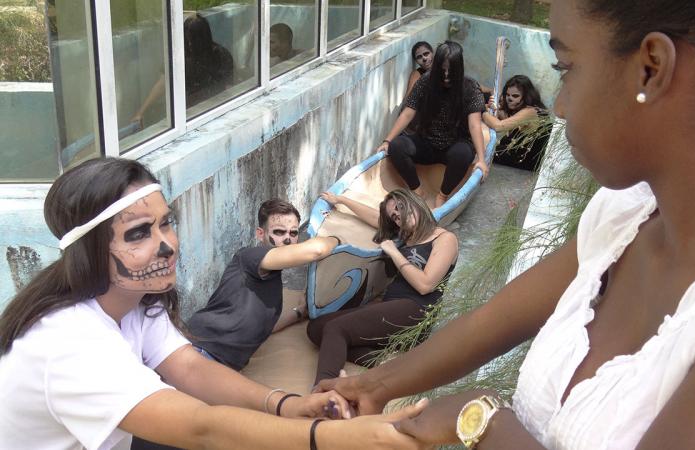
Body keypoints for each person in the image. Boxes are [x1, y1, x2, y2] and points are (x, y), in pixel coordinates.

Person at [317, 0, 695, 448]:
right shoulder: (626, 214)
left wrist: (481, 418)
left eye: (566, 68)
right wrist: (368, 387)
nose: (561, 104)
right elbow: (488, 325)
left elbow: (482, 401)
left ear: (651, 67)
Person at [0, 157, 429, 450]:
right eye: (138, 233)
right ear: (90, 249)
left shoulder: (137, 299)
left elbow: (189, 366)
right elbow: (198, 427)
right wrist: (329, 438)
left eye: (166, 223)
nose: (166, 244)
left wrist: (287, 404)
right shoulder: (70, 342)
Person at [309, 189, 458, 385]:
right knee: (316, 328)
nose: (399, 217)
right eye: (395, 217)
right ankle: (385, 363)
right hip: (390, 308)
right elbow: (375, 218)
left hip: (416, 311)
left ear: (415, 201)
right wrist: (341, 200)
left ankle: (323, 390)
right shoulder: (406, 235)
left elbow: (425, 285)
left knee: (336, 329)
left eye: (401, 208)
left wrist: (394, 252)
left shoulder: (444, 239)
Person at [186, 199, 339, 371]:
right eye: (279, 232)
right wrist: (336, 239)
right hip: (199, 350)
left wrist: (299, 313)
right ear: (260, 234)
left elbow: (264, 327)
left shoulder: (272, 279)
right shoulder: (250, 256)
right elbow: (316, 250)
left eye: (294, 233)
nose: (288, 239)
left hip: (217, 363)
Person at [378, 41, 490, 208]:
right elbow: (408, 112)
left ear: (458, 69)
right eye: (442, 71)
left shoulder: (470, 87)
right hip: (427, 142)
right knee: (397, 146)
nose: (445, 75)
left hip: (455, 144)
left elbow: (474, 125)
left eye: (450, 71)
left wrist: (481, 160)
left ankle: (443, 195)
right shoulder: (425, 81)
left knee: (463, 154)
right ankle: (417, 191)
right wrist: (387, 141)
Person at [132, 14, 233, 126]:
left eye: (193, 40)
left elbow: (229, 88)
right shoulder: (180, 59)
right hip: (187, 116)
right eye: (187, 40)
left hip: (214, 112)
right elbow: (163, 83)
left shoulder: (220, 56)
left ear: (203, 38)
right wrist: (140, 112)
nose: (190, 44)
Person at [483, 75, 551, 171]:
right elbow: (504, 117)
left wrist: (481, 110)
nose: (509, 99)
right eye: (508, 95)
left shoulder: (530, 111)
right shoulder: (518, 108)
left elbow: (499, 126)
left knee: (481, 150)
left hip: (524, 160)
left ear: (526, 96)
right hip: (515, 152)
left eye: (515, 96)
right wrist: (492, 108)